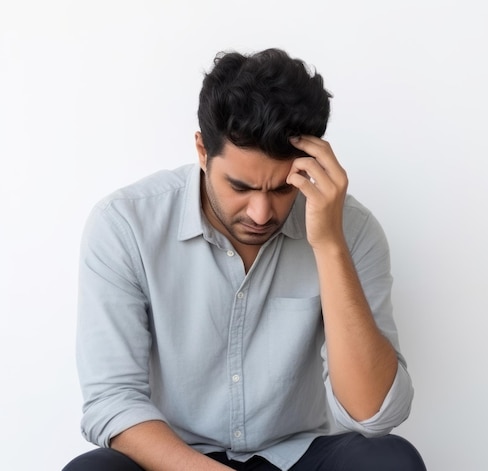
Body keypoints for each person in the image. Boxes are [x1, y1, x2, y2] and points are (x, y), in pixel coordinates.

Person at [63, 48, 427, 471]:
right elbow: (112, 400)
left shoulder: (352, 230)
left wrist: (329, 246)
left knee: (391, 460)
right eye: (240, 186)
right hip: (178, 459)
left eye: (281, 189)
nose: (261, 213)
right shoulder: (125, 225)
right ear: (202, 151)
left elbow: (373, 413)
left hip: (298, 456)